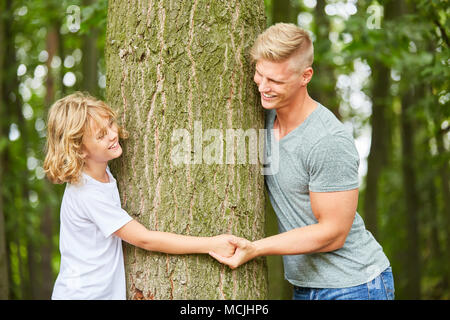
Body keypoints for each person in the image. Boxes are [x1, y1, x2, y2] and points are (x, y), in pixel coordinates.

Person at [209, 23, 395, 300]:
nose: (263, 87)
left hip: (354, 286)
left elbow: (333, 233)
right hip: (306, 286)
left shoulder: (327, 141)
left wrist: (256, 248)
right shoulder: (263, 117)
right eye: (260, 74)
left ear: (305, 76)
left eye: (276, 81)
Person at [44, 92, 237, 299]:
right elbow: (144, 239)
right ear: (79, 150)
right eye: (101, 135)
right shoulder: (87, 193)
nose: (112, 134)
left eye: (110, 124)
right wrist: (210, 244)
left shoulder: (101, 171)